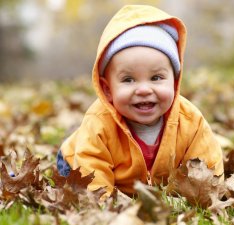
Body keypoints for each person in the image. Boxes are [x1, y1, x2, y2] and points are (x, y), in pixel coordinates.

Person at [57, 4, 223, 195]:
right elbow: (91, 166)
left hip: (147, 184)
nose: (144, 89)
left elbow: (208, 160)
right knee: (76, 185)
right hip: (76, 163)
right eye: (128, 80)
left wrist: (207, 194)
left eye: (156, 78)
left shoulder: (190, 121)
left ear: (175, 82)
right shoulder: (99, 123)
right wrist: (102, 204)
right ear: (108, 89)